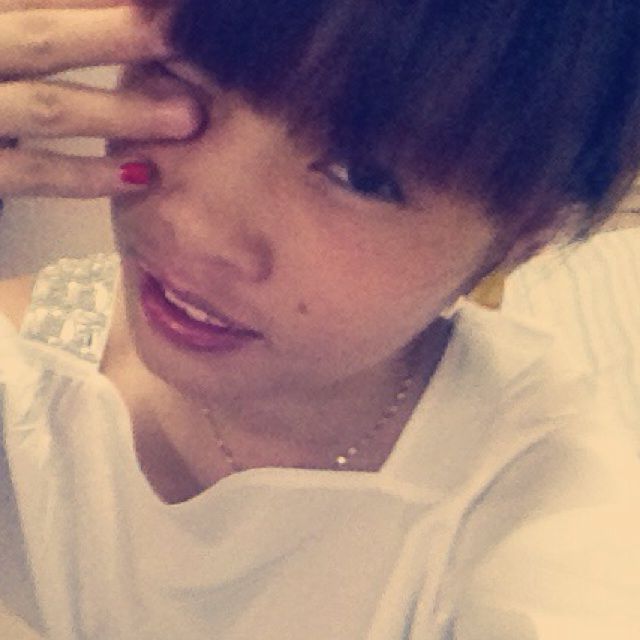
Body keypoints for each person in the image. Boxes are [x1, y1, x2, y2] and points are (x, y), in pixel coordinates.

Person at [1, 1, 639, 638]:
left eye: (360, 175)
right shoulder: (31, 379)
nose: (194, 229)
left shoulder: (541, 516)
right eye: (182, 77)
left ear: (520, 240)